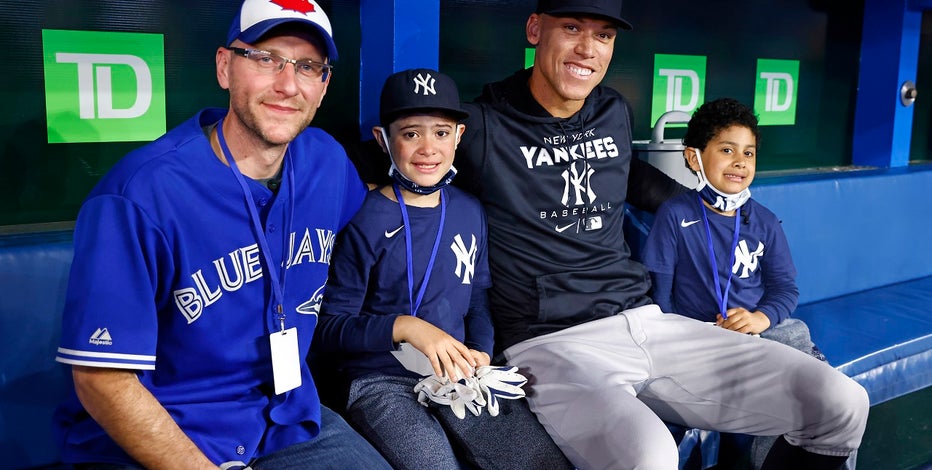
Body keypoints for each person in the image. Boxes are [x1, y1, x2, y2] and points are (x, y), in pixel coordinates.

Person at [451, 0, 870, 468]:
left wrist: (706, 210)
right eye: (571, 28)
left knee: (841, 403)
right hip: (552, 340)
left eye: (604, 35)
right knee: (652, 458)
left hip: (645, 319)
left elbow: (628, 174)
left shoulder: (611, 109)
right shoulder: (483, 125)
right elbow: (396, 157)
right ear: (535, 29)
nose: (587, 48)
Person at [52, 1, 391, 468]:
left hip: (286, 421)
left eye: (308, 66)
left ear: (323, 84)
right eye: (266, 58)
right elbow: (102, 382)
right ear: (225, 66)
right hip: (168, 434)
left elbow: (371, 207)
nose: (287, 84)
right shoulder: (140, 194)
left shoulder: (326, 163)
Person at [313, 68, 573, 470]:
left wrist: (482, 353)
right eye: (411, 133)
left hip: (457, 375)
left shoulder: (469, 209)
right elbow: (328, 328)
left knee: (536, 462)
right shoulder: (363, 217)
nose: (427, 147)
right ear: (384, 140)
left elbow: (479, 301)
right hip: (380, 379)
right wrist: (405, 326)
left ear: (459, 138)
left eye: (441, 132)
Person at [642, 97, 825, 361]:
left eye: (748, 153)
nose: (741, 161)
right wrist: (675, 337)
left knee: (800, 346)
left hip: (756, 332)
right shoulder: (675, 214)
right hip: (697, 335)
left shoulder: (766, 221)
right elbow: (660, 291)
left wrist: (760, 319)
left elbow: (785, 288)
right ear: (694, 158)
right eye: (727, 150)